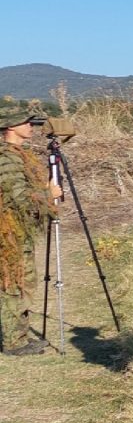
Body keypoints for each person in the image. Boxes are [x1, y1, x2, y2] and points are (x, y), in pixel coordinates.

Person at [0, 105, 62, 355]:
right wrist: (49, 194)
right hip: (10, 231)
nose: (31, 127)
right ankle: (14, 342)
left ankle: (20, 336)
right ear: (11, 127)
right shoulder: (7, 158)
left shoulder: (18, 154)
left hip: (17, 229)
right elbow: (19, 198)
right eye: (26, 122)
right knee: (14, 282)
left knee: (22, 280)